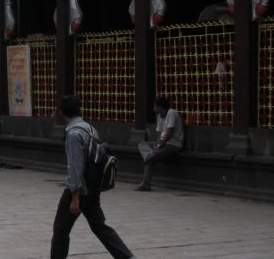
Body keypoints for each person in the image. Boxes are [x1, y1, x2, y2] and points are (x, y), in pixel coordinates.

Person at [51, 94, 134, 259]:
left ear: (62, 112)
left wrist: (75, 197)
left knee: (60, 229)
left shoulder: (73, 134)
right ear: (79, 109)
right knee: (100, 227)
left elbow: (75, 167)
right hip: (93, 186)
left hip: (80, 189)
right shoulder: (89, 129)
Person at [135, 96, 184, 191]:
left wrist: (159, 146)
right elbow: (159, 134)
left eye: (155, 106)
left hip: (173, 144)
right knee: (142, 144)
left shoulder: (171, 113)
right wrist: (157, 144)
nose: (153, 108)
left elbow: (169, 132)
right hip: (162, 143)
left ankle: (146, 183)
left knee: (151, 158)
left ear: (160, 107)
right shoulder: (160, 116)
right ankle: (149, 156)